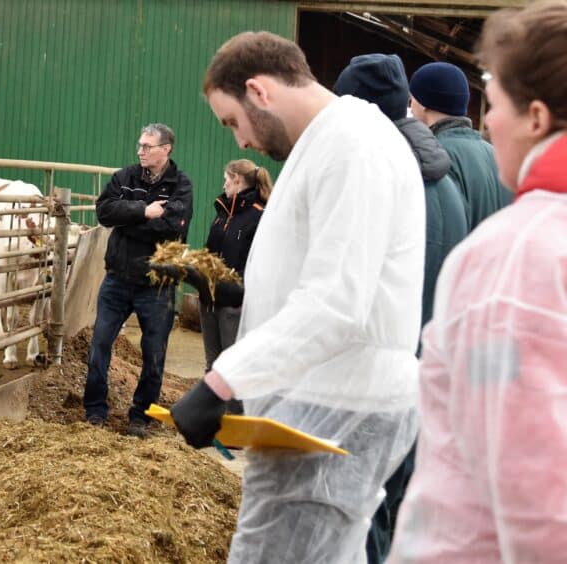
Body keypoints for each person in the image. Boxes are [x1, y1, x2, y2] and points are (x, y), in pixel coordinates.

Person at [170, 32, 425, 563]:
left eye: (232, 121)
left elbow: (336, 301)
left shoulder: (351, 144)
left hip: (337, 406)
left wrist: (225, 379)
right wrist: (255, 383)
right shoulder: (326, 144)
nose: (239, 143)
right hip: (317, 405)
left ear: (259, 92)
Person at [388, 2, 567, 562]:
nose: (490, 121)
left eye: (500, 104)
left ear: (535, 117)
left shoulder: (516, 257)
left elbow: (535, 490)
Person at [333, 52, 469, 564]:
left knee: (364, 520)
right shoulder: (445, 181)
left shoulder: (386, 180)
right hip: (424, 377)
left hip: (376, 383)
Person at [84, 123, 193, 438]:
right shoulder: (125, 177)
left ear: (166, 149)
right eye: (140, 145)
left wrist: (126, 221)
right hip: (117, 279)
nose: (140, 151)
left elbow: (173, 227)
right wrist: (143, 211)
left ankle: (141, 417)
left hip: (156, 285)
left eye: (148, 146)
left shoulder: (180, 185)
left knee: (154, 353)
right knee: (100, 344)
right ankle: (94, 412)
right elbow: (104, 212)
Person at [199, 158, 272, 414]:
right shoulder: (222, 214)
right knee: (213, 364)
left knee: (234, 365)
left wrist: (236, 290)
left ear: (237, 180)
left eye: (226, 180)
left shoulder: (259, 216)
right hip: (209, 298)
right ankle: (213, 421)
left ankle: (237, 422)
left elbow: (261, 263)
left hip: (235, 303)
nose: (224, 184)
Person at [409, 61, 512, 229]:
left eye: (411, 99)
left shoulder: (435, 158)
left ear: (422, 102)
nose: (410, 107)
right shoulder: (494, 154)